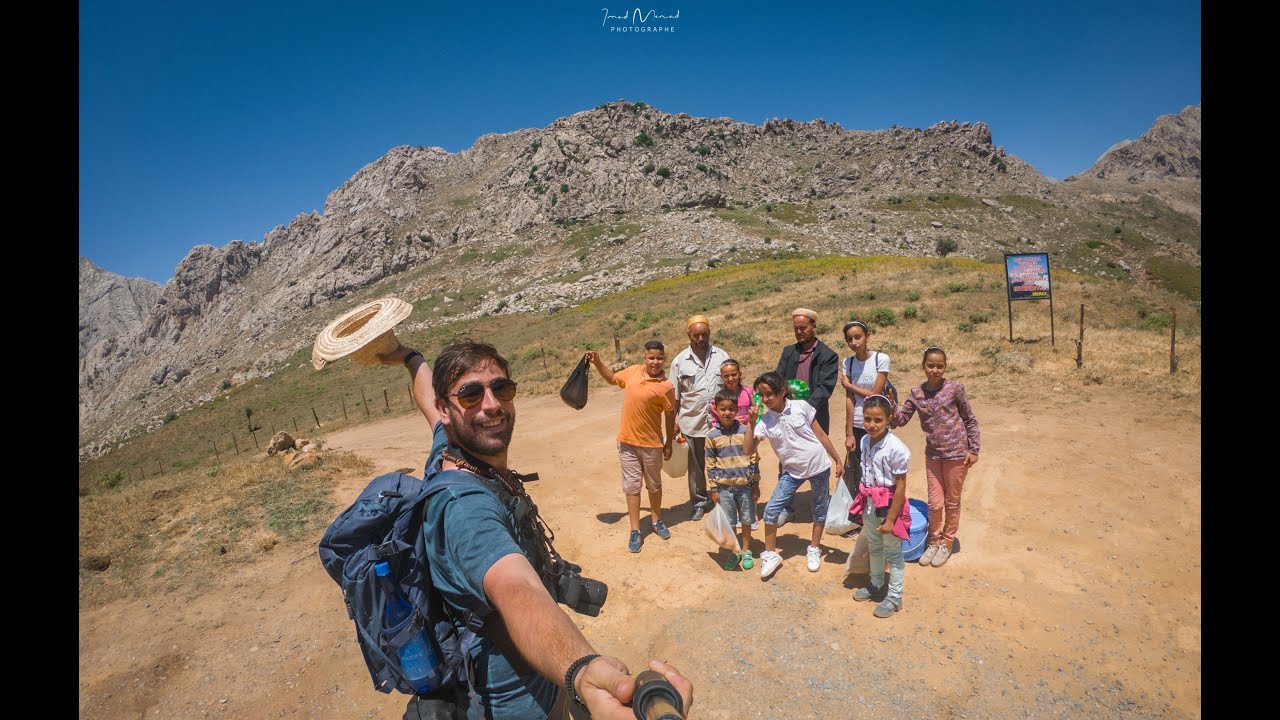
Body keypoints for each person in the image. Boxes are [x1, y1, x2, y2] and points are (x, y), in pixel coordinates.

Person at [380, 342, 693, 719]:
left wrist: (410, 357)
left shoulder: (448, 449)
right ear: (447, 409)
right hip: (519, 701)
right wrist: (581, 672)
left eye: (502, 388)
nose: (492, 404)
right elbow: (517, 588)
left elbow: (427, 396)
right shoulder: (466, 509)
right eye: (471, 394)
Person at [743, 372, 845, 580]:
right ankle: (771, 555)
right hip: (792, 472)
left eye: (769, 394)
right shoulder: (765, 421)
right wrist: (751, 423)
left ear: (782, 392)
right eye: (761, 395)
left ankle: (814, 549)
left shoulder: (801, 407)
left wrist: (837, 459)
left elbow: (821, 435)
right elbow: (747, 450)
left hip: (819, 466)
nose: (765, 399)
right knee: (771, 510)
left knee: (820, 509)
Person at [891, 346, 981, 568]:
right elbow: (900, 420)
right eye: (930, 365)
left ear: (945, 367)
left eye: (939, 366)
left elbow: (969, 419)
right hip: (933, 455)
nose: (935, 370)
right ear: (923, 366)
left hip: (957, 454)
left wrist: (974, 449)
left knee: (952, 502)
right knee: (934, 503)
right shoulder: (917, 394)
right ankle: (933, 541)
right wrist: (891, 403)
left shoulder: (954, 389)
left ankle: (947, 543)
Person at [585, 342, 678, 553]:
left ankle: (656, 520)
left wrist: (668, 443)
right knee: (632, 486)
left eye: (659, 358)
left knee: (654, 485)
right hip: (627, 442)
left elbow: (670, 414)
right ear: (644, 357)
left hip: (652, 444)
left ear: (664, 359)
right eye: (651, 357)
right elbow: (611, 378)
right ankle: (635, 530)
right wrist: (598, 362)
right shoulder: (633, 372)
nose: (655, 362)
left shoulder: (666, 386)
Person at [851, 395, 910, 618]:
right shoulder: (864, 441)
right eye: (867, 419)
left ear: (889, 419)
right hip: (869, 504)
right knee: (874, 546)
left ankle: (895, 597)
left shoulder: (897, 449)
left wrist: (892, 519)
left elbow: (901, 486)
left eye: (878, 420)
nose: (872, 425)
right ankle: (876, 585)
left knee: (893, 553)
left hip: (888, 506)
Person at [670, 315, 731, 521]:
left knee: (723, 462)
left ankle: (724, 500)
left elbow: (732, 388)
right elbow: (674, 397)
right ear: (689, 335)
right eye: (696, 335)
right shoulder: (679, 362)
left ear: (709, 334)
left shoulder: (722, 356)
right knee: (696, 467)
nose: (701, 338)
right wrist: (674, 423)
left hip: (720, 422)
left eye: (704, 334)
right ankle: (698, 502)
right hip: (691, 422)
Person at [705, 387, 761, 571]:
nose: (727, 413)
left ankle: (745, 550)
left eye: (731, 409)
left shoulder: (746, 431)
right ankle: (734, 551)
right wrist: (714, 489)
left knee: (746, 519)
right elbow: (710, 464)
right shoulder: (712, 436)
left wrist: (755, 484)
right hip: (724, 488)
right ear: (716, 410)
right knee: (729, 523)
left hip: (745, 486)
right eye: (723, 409)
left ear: (737, 410)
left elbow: (753, 458)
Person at [838, 320, 890, 492]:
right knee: (859, 469)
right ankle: (861, 509)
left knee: (879, 466)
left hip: (877, 423)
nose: (854, 342)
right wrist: (849, 433)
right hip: (858, 424)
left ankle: (881, 505)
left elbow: (875, 394)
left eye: (858, 337)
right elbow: (849, 400)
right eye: (850, 339)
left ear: (868, 336)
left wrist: (850, 386)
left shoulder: (880, 359)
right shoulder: (848, 362)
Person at [774, 308, 839, 434]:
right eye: (796, 328)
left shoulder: (828, 355)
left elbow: (825, 388)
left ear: (814, 327)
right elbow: (778, 379)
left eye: (803, 328)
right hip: (788, 414)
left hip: (815, 415)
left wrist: (804, 409)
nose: (799, 332)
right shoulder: (788, 352)